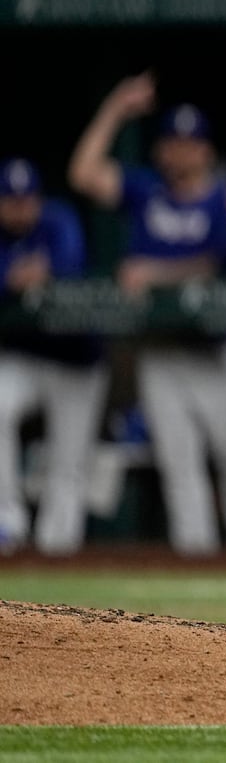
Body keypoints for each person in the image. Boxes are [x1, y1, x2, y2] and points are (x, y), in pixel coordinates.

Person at [68, 74, 226, 557]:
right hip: (160, 349)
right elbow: (84, 173)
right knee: (180, 466)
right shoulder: (146, 190)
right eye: (173, 144)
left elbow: (213, 266)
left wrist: (154, 272)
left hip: (215, 351)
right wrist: (115, 107)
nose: (181, 153)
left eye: (191, 145)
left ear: (205, 152)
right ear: (162, 151)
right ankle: (196, 583)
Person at [0, 159, 108, 557]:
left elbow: (70, 264)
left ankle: (58, 550)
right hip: (26, 356)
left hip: (76, 358)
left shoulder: (59, 220)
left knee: (69, 458)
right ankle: (6, 523)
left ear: (38, 200)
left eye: (25, 200)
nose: (18, 208)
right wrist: (11, 275)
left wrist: (41, 274)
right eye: (9, 201)